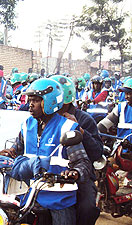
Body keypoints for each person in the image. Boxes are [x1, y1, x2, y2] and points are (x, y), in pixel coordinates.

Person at [0, 78, 91, 225]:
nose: (30, 104)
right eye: (30, 100)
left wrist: (74, 173)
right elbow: (16, 152)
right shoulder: (27, 125)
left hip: (59, 199)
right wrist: (0, 161)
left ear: (50, 101)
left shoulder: (67, 127)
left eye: (36, 100)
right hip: (30, 197)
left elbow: (83, 163)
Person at [51, 75, 102, 225]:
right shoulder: (46, 118)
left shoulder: (85, 119)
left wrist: (80, 131)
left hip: (79, 174)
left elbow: (96, 152)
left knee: (87, 208)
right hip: (49, 173)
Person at [98, 78, 132, 187]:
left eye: (130, 94)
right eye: (126, 94)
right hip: (121, 154)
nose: (126, 97)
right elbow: (103, 125)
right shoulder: (121, 108)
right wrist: (94, 133)